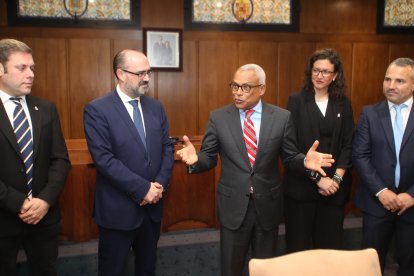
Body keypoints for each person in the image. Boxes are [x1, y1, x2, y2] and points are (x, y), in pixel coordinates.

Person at [177, 64, 336, 276]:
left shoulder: (281, 117)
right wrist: (196, 160)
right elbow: (208, 157)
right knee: (231, 268)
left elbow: (289, 156)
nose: (237, 93)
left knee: (265, 269)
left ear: (261, 89)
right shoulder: (219, 117)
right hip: (233, 206)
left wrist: (303, 161)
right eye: (234, 86)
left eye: (245, 87)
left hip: (267, 206)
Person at [83, 49, 174, 276]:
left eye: (149, 72)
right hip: (117, 211)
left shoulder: (156, 107)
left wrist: (159, 186)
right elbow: (104, 160)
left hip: (152, 210)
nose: (146, 78)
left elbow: (167, 148)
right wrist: (143, 189)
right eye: (140, 73)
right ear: (121, 74)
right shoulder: (97, 110)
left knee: (147, 269)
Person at [0, 39, 71, 275]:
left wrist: (45, 201)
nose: (30, 74)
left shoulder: (46, 108)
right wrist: (18, 202)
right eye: (22, 68)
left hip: (44, 218)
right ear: (0, 69)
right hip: (3, 219)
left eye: (32, 68)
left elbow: (60, 160)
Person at [283, 48, 355, 253]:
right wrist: (318, 179)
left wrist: (336, 180)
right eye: (316, 70)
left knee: (329, 251)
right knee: (298, 251)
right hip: (301, 190)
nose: (319, 76)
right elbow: (290, 147)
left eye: (325, 71)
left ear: (335, 75)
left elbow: (348, 145)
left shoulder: (343, 104)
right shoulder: (296, 101)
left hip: (333, 191)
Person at [353, 57, 414, 275]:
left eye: (399, 81)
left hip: (411, 205)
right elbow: (360, 155)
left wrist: (412, 195)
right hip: (376, 203)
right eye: (387, 79)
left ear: (413, 84)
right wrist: (381, 191)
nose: (390, 85)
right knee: (371, 263)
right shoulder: (370, 113)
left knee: (409, 263)